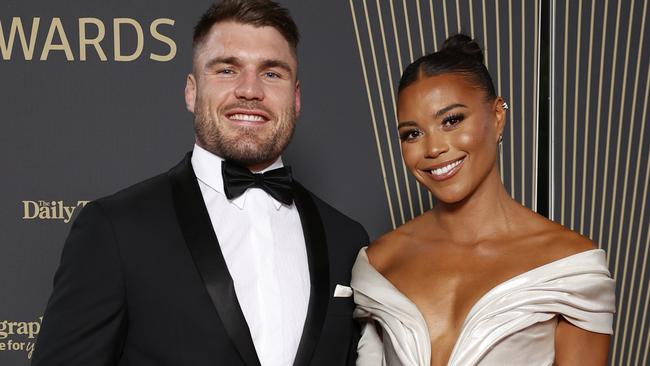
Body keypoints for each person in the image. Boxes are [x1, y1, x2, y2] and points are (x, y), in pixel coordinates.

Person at [32, 1, 368, 365]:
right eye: (227, 70)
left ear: (296, 97)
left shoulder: (345, 239)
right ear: (192, 92)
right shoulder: (115, 229)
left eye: (272, 74)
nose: (250, 90)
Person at [351, 34, 615, 366]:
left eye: (451, 120)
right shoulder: (379, 264)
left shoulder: (568, 266)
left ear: (498, 116)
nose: (433, 148)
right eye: (412, 134)